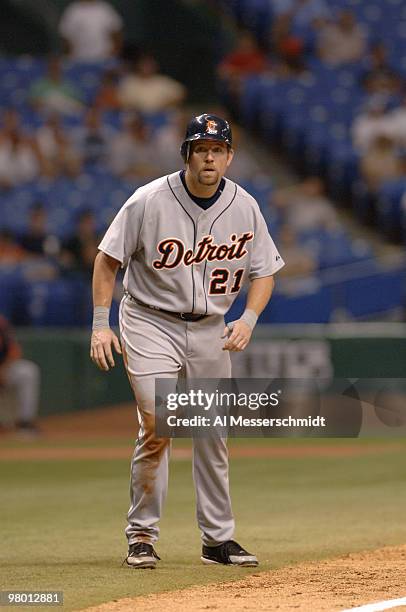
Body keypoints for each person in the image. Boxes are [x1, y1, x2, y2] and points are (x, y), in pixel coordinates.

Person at [90, 113, 285, 568]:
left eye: (217, 149)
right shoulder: (149, 200)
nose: (209, 157)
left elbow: (266, 271)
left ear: (230, 156)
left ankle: (217, 541)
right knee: (160, 424)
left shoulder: (244, 205)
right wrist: (102, 323)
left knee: (212, 432)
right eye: (201, 149)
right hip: (149, 321)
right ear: (187, 155)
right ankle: (141, 535)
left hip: (209, 330)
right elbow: (106, 260)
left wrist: (250, 318)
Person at [0, 315, 40, 435]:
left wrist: (3, 369)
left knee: (28, 371)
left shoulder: (1, 323)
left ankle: (25, 423)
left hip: (5, 368)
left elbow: (14, 349)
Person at [58, 0, 123, 61]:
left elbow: (117, 34)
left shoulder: (105, 9)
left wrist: (111, 56)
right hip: (80, 60)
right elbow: (66, 38)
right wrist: (72, 59)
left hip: (105, 61)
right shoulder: (72, 11)